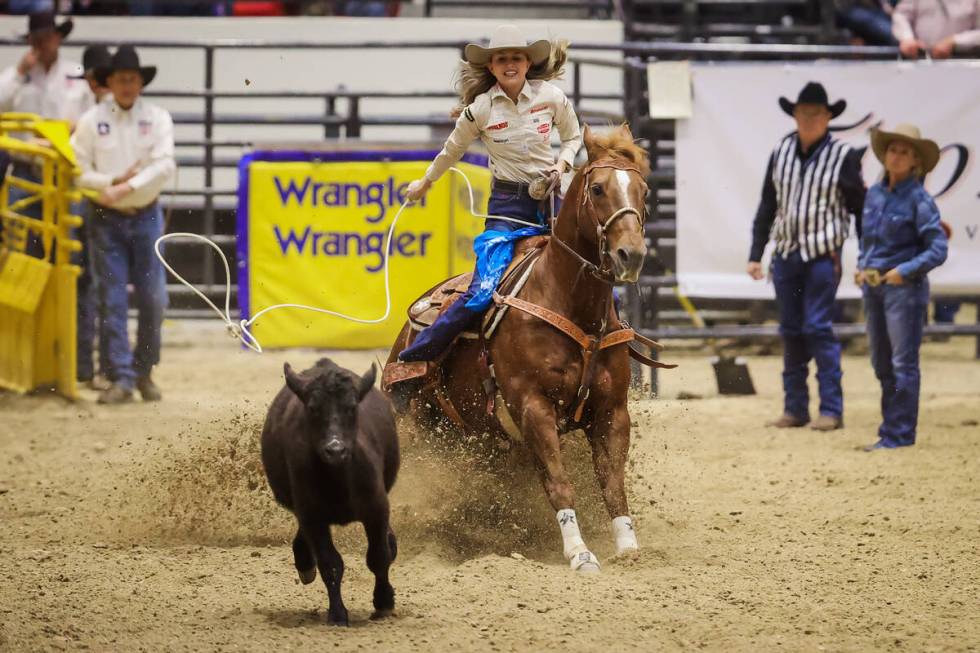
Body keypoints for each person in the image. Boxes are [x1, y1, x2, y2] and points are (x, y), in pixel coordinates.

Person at [396, 24, 582, 363]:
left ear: (527, 63)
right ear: (491, 66)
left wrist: (562, 165)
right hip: (507, 207)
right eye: (502, 59)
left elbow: (573, 137)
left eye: (516, 58)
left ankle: (611, 358)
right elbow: (450, 152)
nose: (510, 64)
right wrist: (425, 183)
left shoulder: (551, 98)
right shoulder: (479, 110)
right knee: (481, 293)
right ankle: (416, 360)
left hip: (554, 200)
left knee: (590, 275)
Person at [747, 82, 866, 432]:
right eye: (804, 113)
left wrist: (865, 255)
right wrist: (756, 253)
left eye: (816, 113)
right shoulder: (780, 150)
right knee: (791, 330)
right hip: (786, 254)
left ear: (828, 117)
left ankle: (831, 408)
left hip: (821, 255)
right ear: (795, 115)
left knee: (817, 327)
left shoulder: (844, 156)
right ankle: (795, 407)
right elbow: (767, 206)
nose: (809, 119)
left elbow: (861, 209)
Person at [71, 45, 175, 405]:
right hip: (106, 218)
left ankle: (141, 371)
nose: (127, 85)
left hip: (143, 213)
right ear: (109, 82)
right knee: (111, 299)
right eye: (121, 79)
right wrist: (111, 183)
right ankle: (121, 375)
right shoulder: (90, 123)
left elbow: (165, 166)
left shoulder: (158, 118)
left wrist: (124, 188)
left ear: (140, 83)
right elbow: (77, 171)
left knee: (153, 298)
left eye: (132, 79)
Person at [856, 124, 948, 451]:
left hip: (904, 291)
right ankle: (891, 430)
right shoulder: (875, 194)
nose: (897, 157)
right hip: (875, 287)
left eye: (905, 152)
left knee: (901, 363)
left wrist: (904, 271)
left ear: (915, 163)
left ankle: (899, 434)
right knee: (882, 362)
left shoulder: (920, 200)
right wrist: (861, 267)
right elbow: (868, 241)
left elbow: (938, 248)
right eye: (893, 150)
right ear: (885, 155)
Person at [892, 0, 980, 58]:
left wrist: (955, 41)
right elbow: (901, 15)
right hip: (920, 58)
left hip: (963, 60)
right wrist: (907, 38)